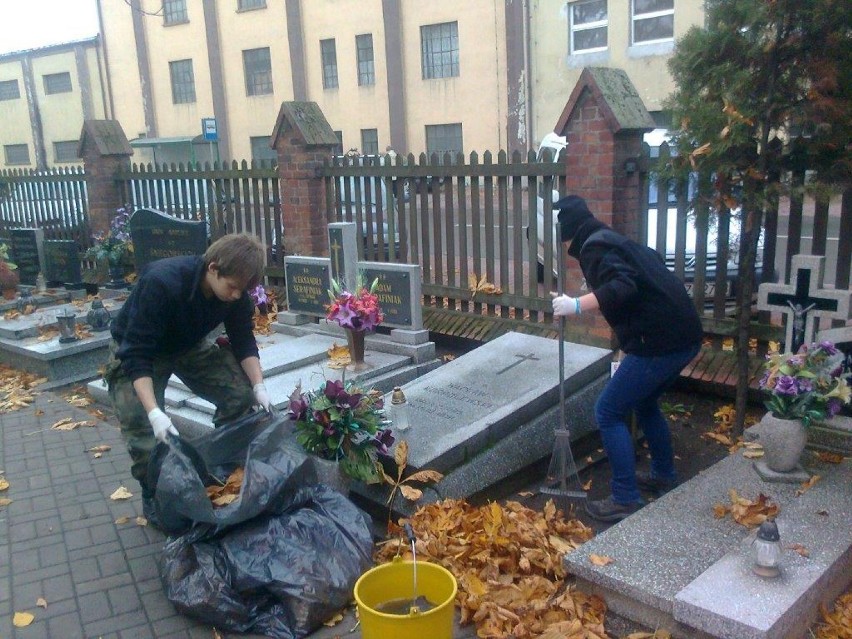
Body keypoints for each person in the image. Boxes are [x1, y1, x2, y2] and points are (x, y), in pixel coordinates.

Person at [550, 195, 702, 522]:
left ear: (566, 231)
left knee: (608, 410)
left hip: (661, 341)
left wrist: (575, 306)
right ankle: (663, 475)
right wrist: (629, 342)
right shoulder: (611, 239)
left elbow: (624, 287)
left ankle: (624, 498)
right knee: (645, 403)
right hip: (682, 336)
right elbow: (649, 275)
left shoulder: (594, 248)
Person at [103, 233, 272, 522]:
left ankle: (224, 462)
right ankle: (154, 494)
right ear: (213, 268)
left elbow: (243, 341)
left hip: (188, 346)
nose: (235, 295)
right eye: (232, 287)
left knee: (239, 395)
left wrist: (258, 386)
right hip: (140, 351)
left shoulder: (236, 296)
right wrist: (155, 412)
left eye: (240, 291)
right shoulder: (162, 283)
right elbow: (136, 353)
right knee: (145, 431)